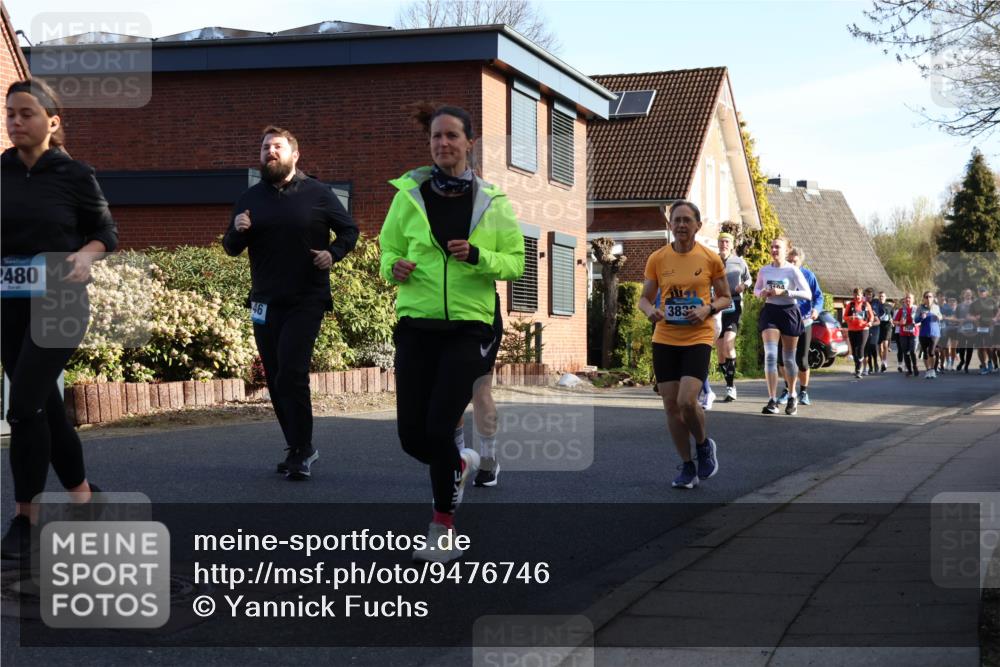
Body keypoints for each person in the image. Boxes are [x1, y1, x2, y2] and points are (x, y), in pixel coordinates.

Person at [380, 104, 524, 561]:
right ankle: (459, 463)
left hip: (469, 326)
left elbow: (516, 262)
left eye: (452, 136)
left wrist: (480, 256)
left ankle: (443, 528)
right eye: (436, 137)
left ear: (469, 143)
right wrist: (393, 267)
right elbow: (388, 250)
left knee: (440, 424)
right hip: (417, 324)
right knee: (411, 437)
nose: (443, 144)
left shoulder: (492, 202)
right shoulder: (407, 196)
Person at [1, 79, 118, 558]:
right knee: (45, 407)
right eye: (10, 113)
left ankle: (25, 522)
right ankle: (86, 499)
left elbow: (106, 231)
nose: (15, 121)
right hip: (9, 304)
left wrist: (88, 254)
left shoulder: (75, 174)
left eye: (26, 113)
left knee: (22, 407)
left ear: (52, 122)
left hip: (61, 303)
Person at [223, 126, 358, 480]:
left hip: (306, 298)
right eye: (265, 146)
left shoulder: (318, 193)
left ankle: (302, 448)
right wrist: (237, 229)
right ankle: (297, 445)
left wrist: (333, 253)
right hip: (264, 302)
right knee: (276, 376)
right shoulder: (250, 197)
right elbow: (231, 247)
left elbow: (349, 231)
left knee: (292, 371)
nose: (270, 152)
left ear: (294, 154)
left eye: (277, 147)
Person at [639, 201, 730, 489]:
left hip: (698, 337)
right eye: (676, 220)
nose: (680, 225)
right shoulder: (657, 258)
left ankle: (703, 445)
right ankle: (687, 466)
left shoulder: (710, 258)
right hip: (665, 338)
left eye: (686, 220)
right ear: (670, 225)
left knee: (687, 401)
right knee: (670, 407)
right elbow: (644, 298)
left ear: (697, 225)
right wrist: (649, 311)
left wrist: (708, 309)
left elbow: (726, 297)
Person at [451, 290, 504, 488]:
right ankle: (457, 462)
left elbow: (511, 265)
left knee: (480, 390)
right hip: (439, 315)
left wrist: (474, 256)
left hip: (479, 313)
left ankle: (488, 461)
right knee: (450, 392)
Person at [754, 237, 811, 416]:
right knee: (771, 356)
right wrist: (761, 293)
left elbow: (807, 294)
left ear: (786, 250)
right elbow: (755, 290)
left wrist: (785, 291)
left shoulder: (792, 270)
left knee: (788, 359)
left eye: (778, 247)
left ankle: (793, 394)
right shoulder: (764, 270)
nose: (774, 249)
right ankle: (772, 400)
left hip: (789, 312)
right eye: (772, 247)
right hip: (770, 311)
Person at [776, 247, 823, 406]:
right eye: (789, 261)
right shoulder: (781, 274)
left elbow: (818, 296)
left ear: (801, 262)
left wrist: (816, 310)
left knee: (801, 360)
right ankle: (788, 390)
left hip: (804, 321)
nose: (791, 264)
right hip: (785, 321)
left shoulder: (808, 276)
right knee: (783, 360)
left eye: (794, 261)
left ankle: (803, 391)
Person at [714, 232, 752, 402]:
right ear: (718, 243)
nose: (724, 244)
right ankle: (727, 375)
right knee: (720, 350)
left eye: (727, 242)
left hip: (733, 304)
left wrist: (743, 285)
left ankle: (730, 387)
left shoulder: (739, 261)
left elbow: (749, 279)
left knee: (729, 343)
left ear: (732, 244)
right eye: (722, 241)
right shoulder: (711, 260)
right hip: (715, 306)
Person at [844, 287, 876, 379]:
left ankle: (858, 370)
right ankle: (857, 366)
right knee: (854, 351)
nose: (857, 296)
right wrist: (850, 318)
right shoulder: (850, 304)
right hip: (852, 330)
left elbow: (871, 317)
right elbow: (844, 317)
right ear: (853, 295)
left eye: (859, 295)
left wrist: (870, 322)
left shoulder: (866, 304)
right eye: (856, 294)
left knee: (860, 348)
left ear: (862, 295)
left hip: (863, 329)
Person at [915, 291, 942, 379]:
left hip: (935, 333)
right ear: (923, 298)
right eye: (926, 297)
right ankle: (928, 370)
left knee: (931, 352)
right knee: (925, 353)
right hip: (923, 333)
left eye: (930, 297)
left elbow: (940, 316)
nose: (928, 298)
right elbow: (916, 320)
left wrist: (939, 317)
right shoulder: (920, 308)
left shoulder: (936, 307)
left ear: (933, 298)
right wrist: (921, 317)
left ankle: (933, 370)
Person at [971, 286, 997, 375]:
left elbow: (997, 313)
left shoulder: (992, 301)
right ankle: (983, 366)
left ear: (987, 292)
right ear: (978, 293)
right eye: (980, 291)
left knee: (989, 347)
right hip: (978, 327)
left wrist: (994, 320)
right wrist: (974, 318)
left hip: (989, 327)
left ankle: (990, 362)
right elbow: (969, 315)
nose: (982, 293)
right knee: (980, 348)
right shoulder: (974, 303)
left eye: (983, 291)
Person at [893, 292, 920, 376]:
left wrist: (916, 324)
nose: (908, 299)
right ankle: (909, 369)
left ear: (913, 300)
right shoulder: (901, 310)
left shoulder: (917, 309)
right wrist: (899, 322)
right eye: (906, 298)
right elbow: (894, 321)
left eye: (910, 298)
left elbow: (921, 321)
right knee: (905, 352)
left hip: (914, 333)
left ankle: (915, 366)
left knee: (912, 351)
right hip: (903, 333)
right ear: (904, 300)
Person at [955, 288, 976, 373]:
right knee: (961, 347)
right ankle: (962, 361)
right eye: (966, 294)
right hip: (961, 329)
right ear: (963, 295)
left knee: (970, 348)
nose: (967, 295)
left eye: (969, 294)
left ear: (971, 295)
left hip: (972, 329)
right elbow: (956, 317)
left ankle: (967, 365)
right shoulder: (959, 306)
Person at [863, 288, 882, 375]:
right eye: (867, 294)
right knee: (867, 348)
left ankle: (876, 363)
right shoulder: (863, 304)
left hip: (875, 327)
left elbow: (880, 314)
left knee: (873, 345)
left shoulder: (876, 302)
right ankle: (870, 366)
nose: (868, 296)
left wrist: (874, 320)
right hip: (865, 328)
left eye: (870, 294)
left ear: (872, 295)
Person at [940, 293, 958, 372]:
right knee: (947, 347)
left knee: (954, 348)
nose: (952, 304)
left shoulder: (958, 311)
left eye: (953, 303)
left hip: (955, 330)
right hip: (946, 329)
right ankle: (948, 361)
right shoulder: (944, 309)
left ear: (956, 304)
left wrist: (947, 318)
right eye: (950, 303)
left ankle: (952, 364)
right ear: (948, 303)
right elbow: (942, 318)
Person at [876, 290, 893, 372]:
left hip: (887, 326)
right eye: (880, 296)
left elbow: (892, 316)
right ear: (878, 297)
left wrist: (892, 321)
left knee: (885, 344)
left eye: (882, 296)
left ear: (885, 297)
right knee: (880, 346)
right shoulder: (876, 306)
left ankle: (884, 361)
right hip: (879, 326)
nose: (881, 297)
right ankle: (882, 360)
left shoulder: (889, 306)